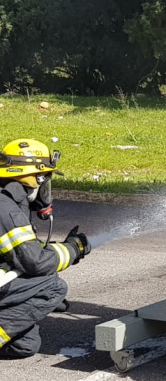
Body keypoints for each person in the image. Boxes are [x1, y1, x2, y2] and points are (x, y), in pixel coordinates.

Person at [0, 139, 90, 358]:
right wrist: (73, 249)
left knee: (25, 345)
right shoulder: (5, 207)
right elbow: (35, 262)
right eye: (45, 180)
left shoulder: (9, 201)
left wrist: (29, 299)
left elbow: (22, 251)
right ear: (35, 178)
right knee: (53, 288)